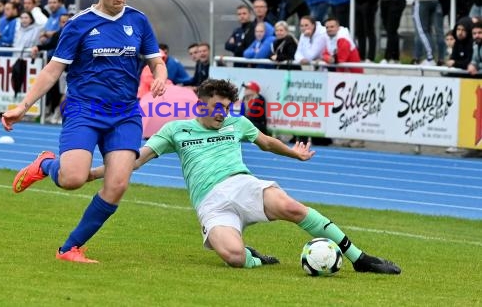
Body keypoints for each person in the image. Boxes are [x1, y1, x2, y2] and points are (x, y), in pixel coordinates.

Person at [88, 79, 401, 274]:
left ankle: (360, 259)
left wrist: (295, 153)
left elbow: (266, 142)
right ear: (201, 104)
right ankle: (253, 257)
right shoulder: (175, 130)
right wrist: (93, 173)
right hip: (211, 204)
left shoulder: (237, 124)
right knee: (235, 259)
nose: (223, 113)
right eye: (217, 107)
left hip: (244, 185)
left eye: (226, 107)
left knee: (293, 207)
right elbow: (136, 160)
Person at [1, 0, 167, 263]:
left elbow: (156, 60)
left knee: (117, 185)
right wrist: (23, 106)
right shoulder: (78, 25)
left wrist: (159, 76)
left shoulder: (138, 20)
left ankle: (69, 248)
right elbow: (52, 71)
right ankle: (47, 164)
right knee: (72, 179)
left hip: (125, 113)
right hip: (84, 110)